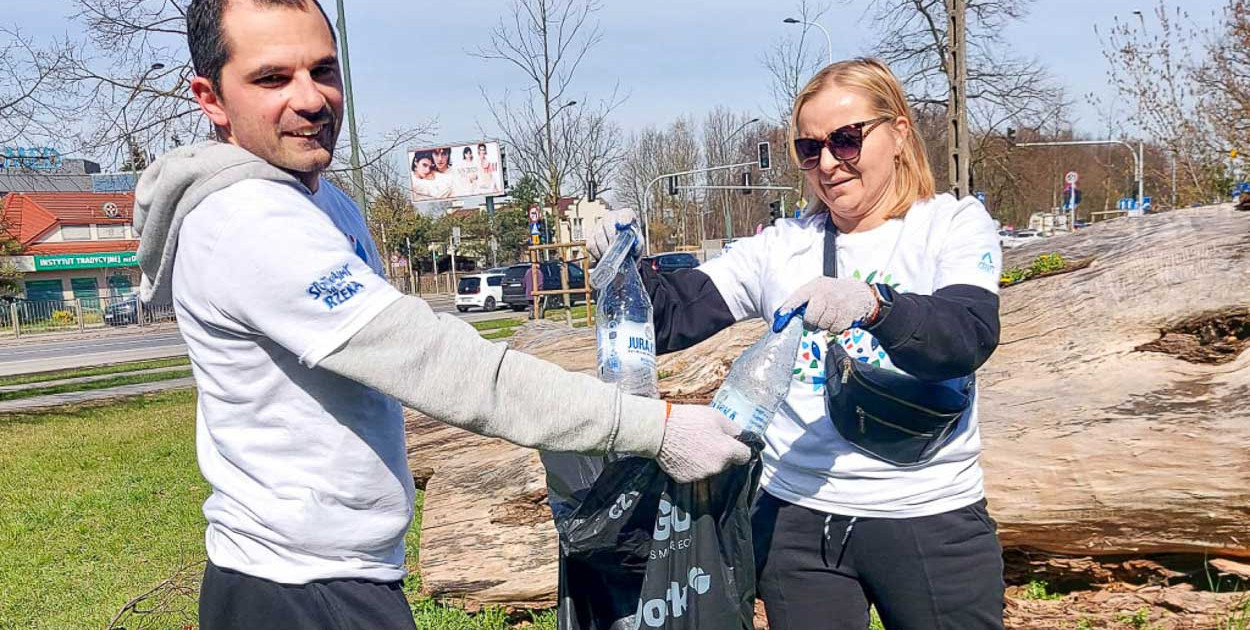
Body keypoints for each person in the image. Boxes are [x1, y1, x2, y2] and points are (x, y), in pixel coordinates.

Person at [133, 2, 750, 629]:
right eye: (272, 79)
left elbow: (423, 338)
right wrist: (656, 428)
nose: (312, 99)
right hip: (296, 587)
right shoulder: (247, 222)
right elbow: (435, 363)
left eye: (323, 70)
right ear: (210, 97)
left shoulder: (322, 200)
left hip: (337, 573)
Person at [588, 57, 1004, 630]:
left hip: (929, 515)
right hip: (797, 524)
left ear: (900, 132)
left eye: (847, 140)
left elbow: (965, 336)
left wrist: (873, 305)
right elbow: (669, 317)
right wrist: (621, 263)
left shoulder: (951, 225)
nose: (828, 164)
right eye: (810, 150)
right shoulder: (782, 246)